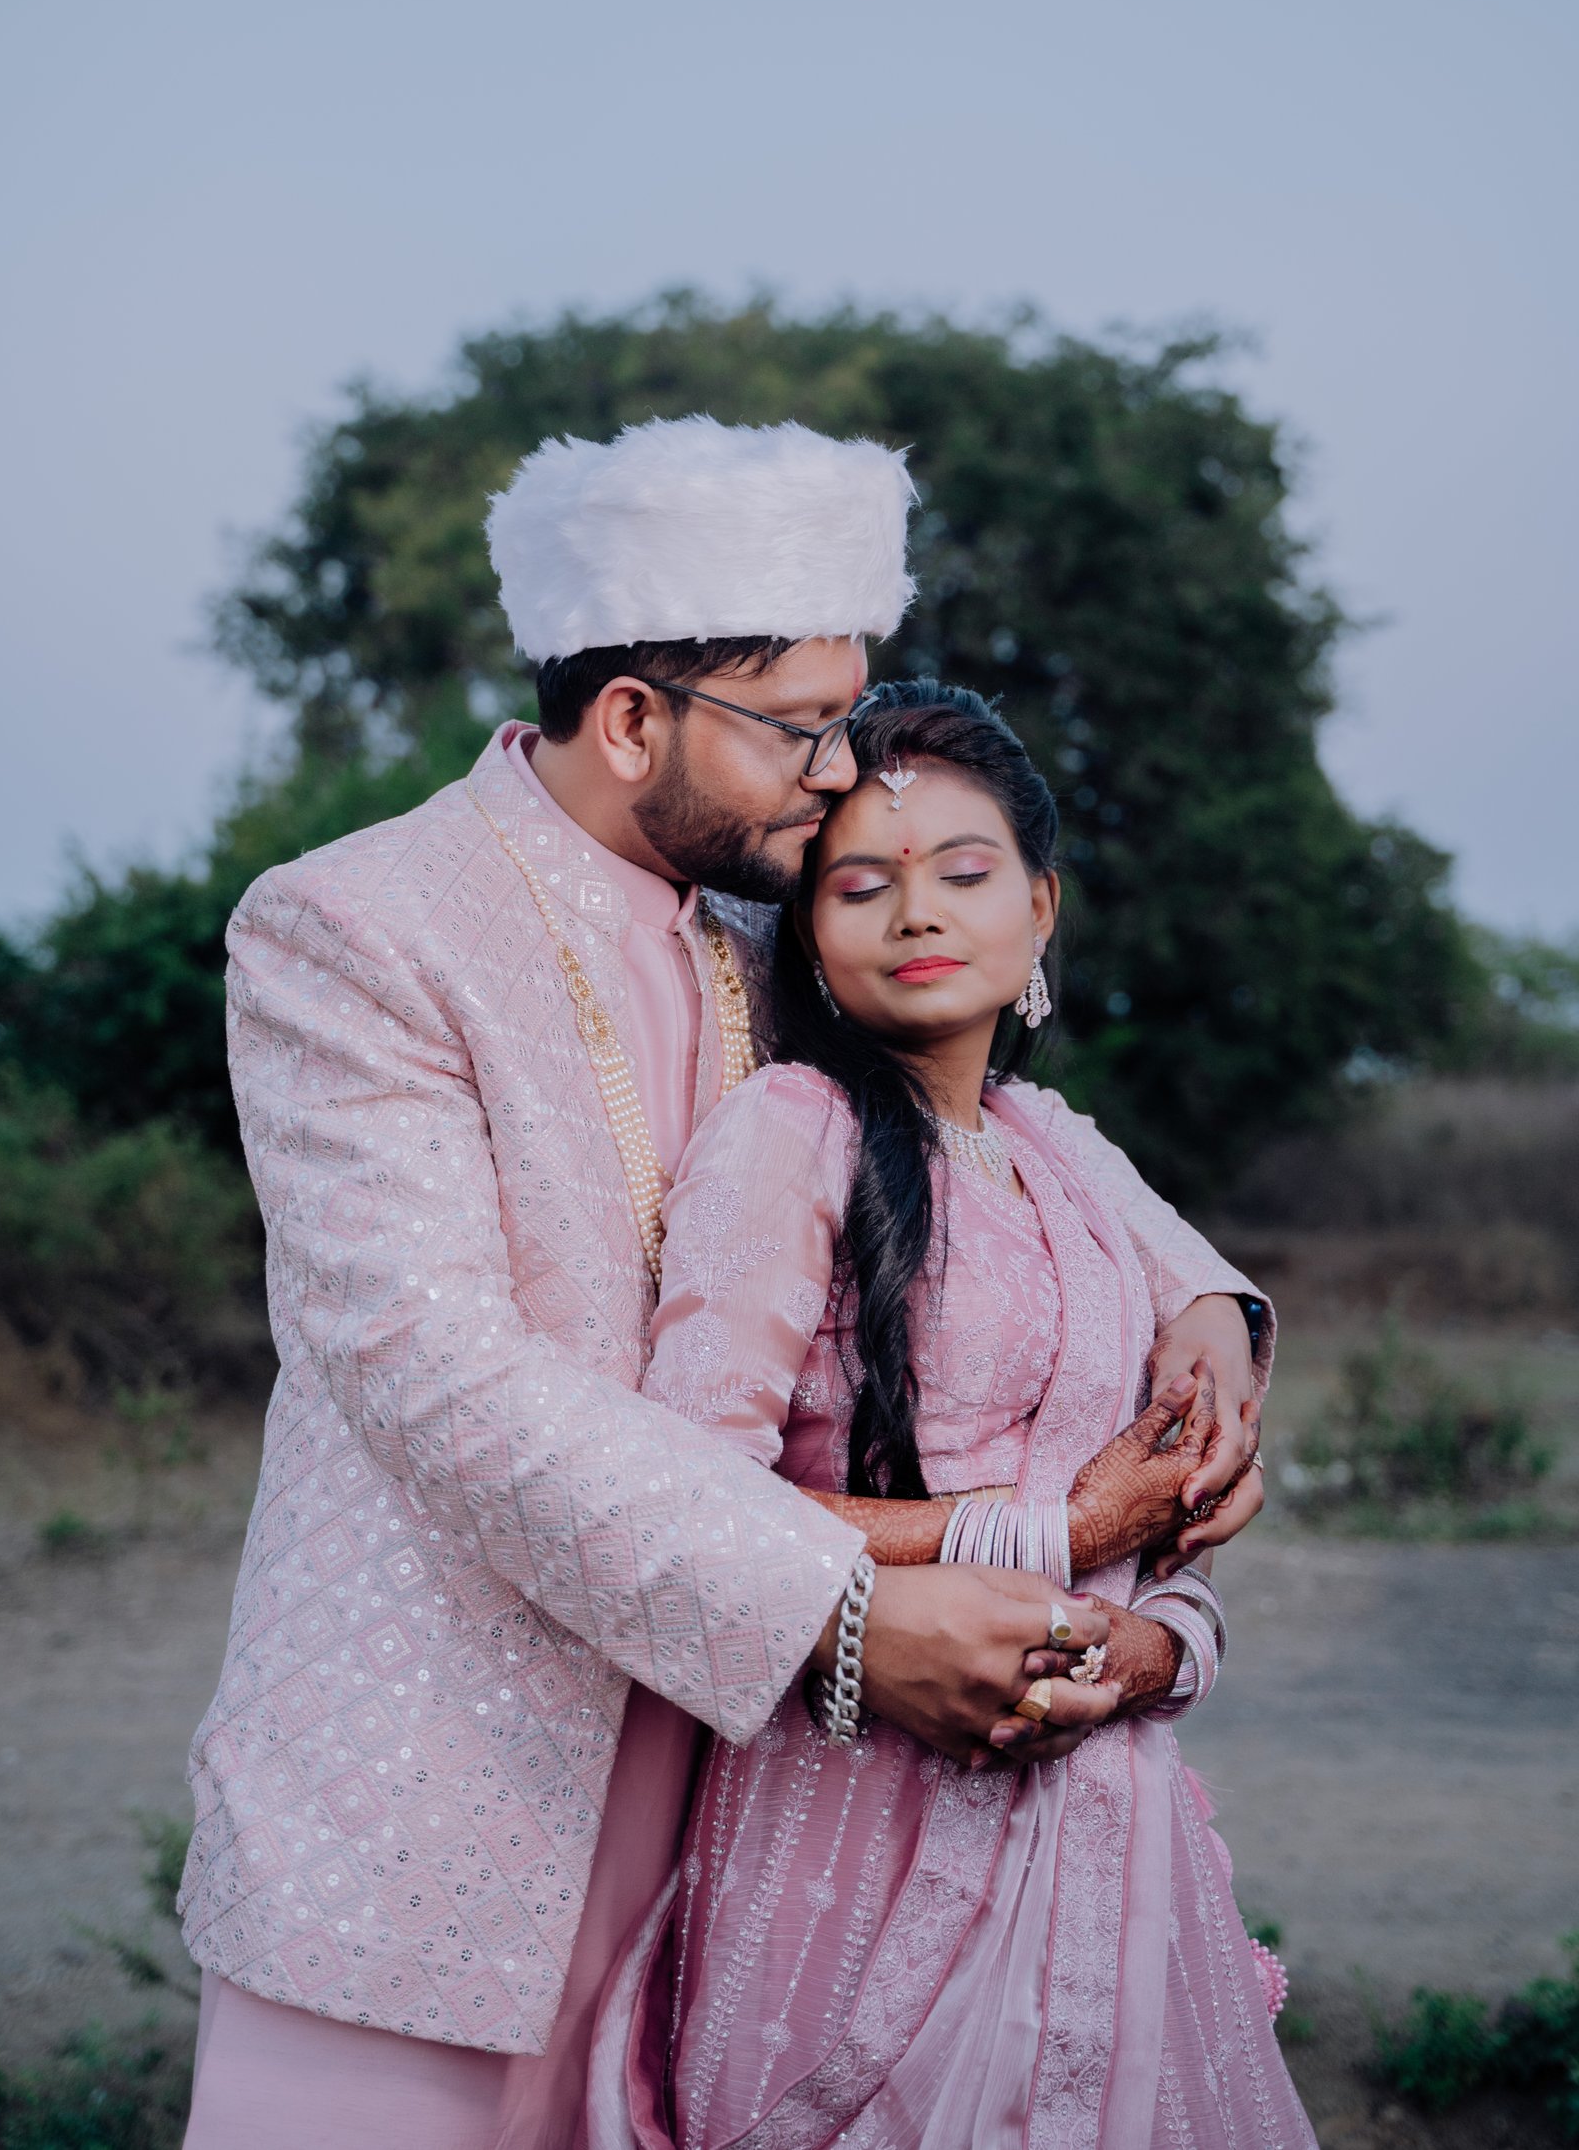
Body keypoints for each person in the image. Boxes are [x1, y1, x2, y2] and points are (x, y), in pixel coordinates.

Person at [178, 416, 1266, 2150]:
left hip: (732, 1806)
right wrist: (851, 1618)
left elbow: (994, 1121)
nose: (841, 776)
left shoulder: (775, 923)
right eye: (800, 726)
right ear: (631, 721)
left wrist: (1207, 1306)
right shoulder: (359, 925)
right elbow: (435, 1372)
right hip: (440, 1777)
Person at [590, 681, 1311, 2150]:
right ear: (808, 931)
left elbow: (1184, 1447)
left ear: (1040, 908)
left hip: (1110, 1823)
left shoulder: (1059, 1147)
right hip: (852, 1812)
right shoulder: (792, 1130)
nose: (916, 910)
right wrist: (1051, 1535)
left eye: (964, 874)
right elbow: (687, 1498)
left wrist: (1163, 1647)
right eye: (861, 885)